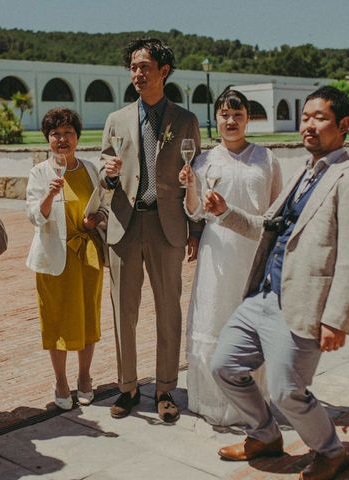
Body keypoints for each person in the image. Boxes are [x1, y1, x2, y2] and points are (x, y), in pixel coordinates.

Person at [206, 86, 349, 480]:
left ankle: (331, 453)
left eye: (320, 118)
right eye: (305, 118)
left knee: (287, 392)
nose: (309, 126)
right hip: (262, 295)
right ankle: (265, 436)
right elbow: (269, 227)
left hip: (301, 304)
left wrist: (337, 318)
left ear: (344, 124)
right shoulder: (303, 170)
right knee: (224, 365)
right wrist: (225, 212)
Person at [100, 37, 202, 421]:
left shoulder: (186, 119)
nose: (138, 73)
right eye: (133, 67)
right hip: (125, 224)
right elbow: (105, 173)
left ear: (164, 71)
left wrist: (195, 229)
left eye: (145, 67)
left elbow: (196, 177)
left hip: (168, 225)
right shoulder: (115, 120)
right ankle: (127, 387)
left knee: (167, 310)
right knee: (123, 311)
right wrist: (108, 176)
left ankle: (164, 388)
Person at [178, 89, 282, 426]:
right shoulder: (204, 161)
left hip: (253, 252)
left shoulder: (267, 158)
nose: (231, 120)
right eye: (224, 114)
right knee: (214, 320)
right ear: (216, 118)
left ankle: (252, 402)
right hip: (217, 252)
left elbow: (276, 210)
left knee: (250, 325)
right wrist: (190, 187)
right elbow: (194, 213)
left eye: (237, 115)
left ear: (247, 119)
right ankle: (212, 402)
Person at [26, 108, 107, 410]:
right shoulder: (40, 172)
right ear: (48, 139)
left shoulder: (89, 169)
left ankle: (85, 378)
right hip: (54, 257)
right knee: (56, 319)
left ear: (77, 137)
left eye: (68, 133)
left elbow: (103, 209)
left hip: (87, 255)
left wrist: (96, 218)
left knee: (88, 316)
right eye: (56, 134)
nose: (62, 139)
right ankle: (61, 380)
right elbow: (34, 216)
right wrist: (48, 195)